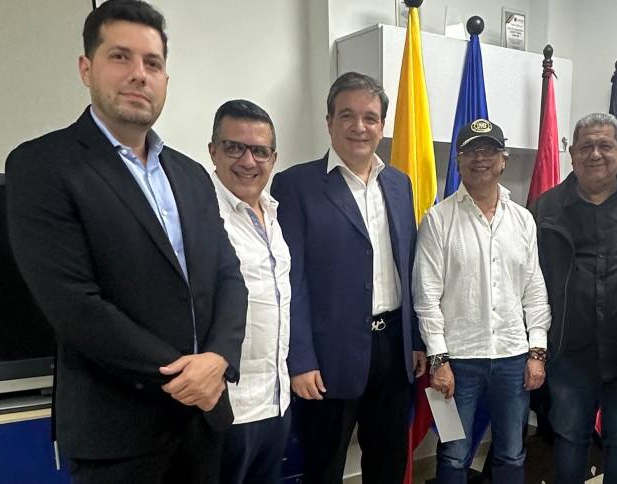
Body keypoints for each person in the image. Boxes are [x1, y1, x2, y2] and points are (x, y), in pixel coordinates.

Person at [4, 1, 248, 483]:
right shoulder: (42, 166)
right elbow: (76, 306)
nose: (139, 74)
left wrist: (219, 359)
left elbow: (228, 277)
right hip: (117, 437)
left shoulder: (192, 175)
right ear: (86, 68)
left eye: (152, 63)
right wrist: (188, 377)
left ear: (165, 80)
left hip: (203, 425)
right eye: (120, 57)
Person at [270, 71, 425, 483]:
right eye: (347, 115)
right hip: (328, 356)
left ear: (382, 125)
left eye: (370, 117)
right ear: (329, 122)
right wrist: (300, 360)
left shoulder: (399, 184)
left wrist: (415, 340)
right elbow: (291, 281)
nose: (360, 126)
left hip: (393, 349)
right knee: (324, 467)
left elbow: (408, 266)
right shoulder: (295, 185)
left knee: (389, 464)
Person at [413, 119, 551, 483]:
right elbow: (426, 298)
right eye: (471, 151)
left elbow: (535, 291)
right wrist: (439, 360)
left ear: (503, 159)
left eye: (489, 150)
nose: (480, 158)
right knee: (453, 453)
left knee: (512, 452)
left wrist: (537, 352)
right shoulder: (437, 220)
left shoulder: (523, 220)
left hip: (513, 360)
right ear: (458, 161)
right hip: (456, 362)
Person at [530, 112, 617, 483]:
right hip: (570, 351)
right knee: (569, 436)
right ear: (572, 153)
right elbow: (531, 279)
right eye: (586, 146)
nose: (596, 154)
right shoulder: (545, 208)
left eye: (605, 145)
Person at [207, 100, 290, 484]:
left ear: (273, 158)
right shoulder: (201, 216)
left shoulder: (273, 213)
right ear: (213, 151)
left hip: (275, 401)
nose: (247, 161)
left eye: (259, 151)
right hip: (227, 407)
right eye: (234, 148)